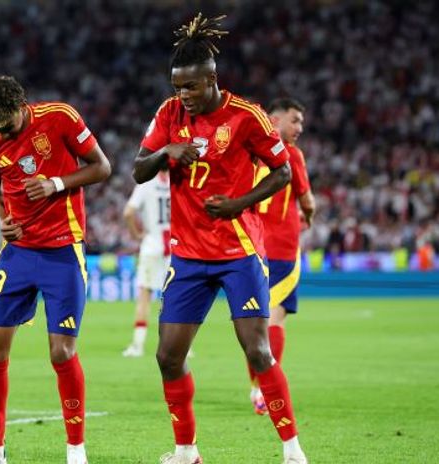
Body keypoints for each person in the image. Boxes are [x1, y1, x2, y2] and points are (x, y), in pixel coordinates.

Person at [131, 14, 308, 464]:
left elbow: (282, 171)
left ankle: (292, 450)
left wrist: (238, 203)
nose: (182, 96)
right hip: (187, 255)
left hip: (237, 251)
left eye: (190, 87)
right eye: (177, 87)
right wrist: (166, 151)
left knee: (258, 349)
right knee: (168, 356)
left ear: (211, 80)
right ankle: (187, 450)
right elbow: (137, 167)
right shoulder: (169, 115)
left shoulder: (245, 116)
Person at [0, 76, 111, 464]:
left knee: (61, 352)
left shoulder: (60, 117)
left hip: (63, 250)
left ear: (22, 105)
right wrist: (2, 220)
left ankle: (76, 451)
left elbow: (102, 168)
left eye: (8, 125)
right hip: (18, 252)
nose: (1, 133)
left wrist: (55, 183)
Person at [247, 97, 315, 415]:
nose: (299, 127)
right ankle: (265, 390)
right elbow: (307, 200)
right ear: (274, 121)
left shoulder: (249, 153)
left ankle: (255, 388)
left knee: (254, 319)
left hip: (250, 246)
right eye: (295, 120)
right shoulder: (291, 154)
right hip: (283, 247)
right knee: (275, 317)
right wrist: (309, 216)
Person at [121, 167, 171, 357]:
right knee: (175, 298)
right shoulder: (178, 180)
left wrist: (137, 235)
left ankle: (138, 345)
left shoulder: (147, 182)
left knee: (144, 296)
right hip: (176, 246)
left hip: (152, 244)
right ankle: (182, 346)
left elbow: (128, 212)